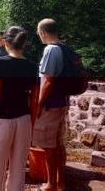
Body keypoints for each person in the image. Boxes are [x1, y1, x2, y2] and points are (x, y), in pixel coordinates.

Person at [0, 26, 39, 191]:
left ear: (6, 42)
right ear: (24, 44)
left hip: (1, 121)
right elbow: (34, 100)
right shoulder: (32, 66)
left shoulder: (0, 63)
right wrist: (31, 124)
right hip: (24, 120)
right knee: (18, 170)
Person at [32, 18, 69, 191]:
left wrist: (38, 104)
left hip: (50, 105)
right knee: (58, 144)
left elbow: (48, 81)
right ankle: (60, 183)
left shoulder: (50, 50)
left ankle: (51, 184)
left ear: (43, 32)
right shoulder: (65, 47)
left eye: (39, 33)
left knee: (48, 146)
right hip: (62, 102)